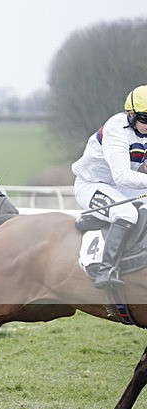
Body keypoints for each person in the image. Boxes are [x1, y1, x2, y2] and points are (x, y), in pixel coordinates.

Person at [72, 84, 147, 290]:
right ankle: (106, 270)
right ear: (131, 115)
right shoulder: (116, 129)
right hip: (92, 184)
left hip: (120, 186)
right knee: (127, 213)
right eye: (145, 119)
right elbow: (122, 176)